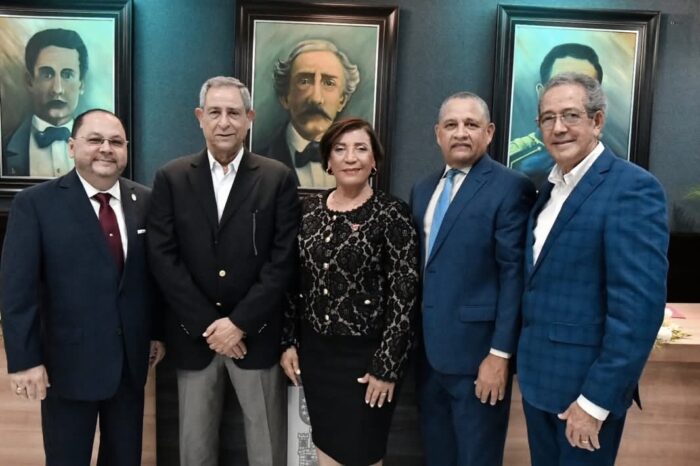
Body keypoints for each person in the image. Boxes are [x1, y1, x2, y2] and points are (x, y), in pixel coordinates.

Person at [518, 72, 669, 466]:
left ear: (597, 121)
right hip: (540, 384)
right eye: (547, 118)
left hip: (584, 397)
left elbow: (638, 313)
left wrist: (596, 401)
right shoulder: (548, 189)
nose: (558, 128)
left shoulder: (632, 189)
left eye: (571, 115)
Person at [147, 76, 300, 466]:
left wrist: (239, 323)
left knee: (267, 451)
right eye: (214, 112)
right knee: (194, 451)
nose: (224, 122)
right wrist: (210, 326)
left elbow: (282, 259)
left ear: (249, 118)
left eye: (234, 112)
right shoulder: (171, 177)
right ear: (200, 117)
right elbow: (163, 258)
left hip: (256, 337)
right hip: (194, 338)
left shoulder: (277, 177)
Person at [1, 108, 165, 465]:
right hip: (66, 367)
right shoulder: (35, 204)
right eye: (95, 140)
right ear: (72, 147)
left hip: (129, 367)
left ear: (126, 150)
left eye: (116, 142)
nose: (106, 148)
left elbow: (151, 280)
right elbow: (17, 289)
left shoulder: (146, 201)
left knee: (125, 459)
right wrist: (25, 360)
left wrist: (156, 333)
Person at [280, 117, 419, 466]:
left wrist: (387, 366)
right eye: (340, 149)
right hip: (317, 358)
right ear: (328, 160)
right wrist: (289, 342)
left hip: (368, 363)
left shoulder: (393, 214)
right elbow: (295, 283)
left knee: (362, 453)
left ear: (374, 160)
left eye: (360, 149)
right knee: (326, 448)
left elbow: (404, 297)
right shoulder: (309, 212)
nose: (350, 157)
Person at [410, 92, 535, 466]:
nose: (461, 133)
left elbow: (514, 275)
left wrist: (500, 355)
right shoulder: (422, 189)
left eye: (471, 124)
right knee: (437, 457)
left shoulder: (511, 186)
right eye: (451, 125)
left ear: (489, 132)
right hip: (427, 358)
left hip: (479, 360)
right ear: (438, 133)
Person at [265, 39, 361, 188]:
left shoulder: (360, 163)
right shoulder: (262, 160)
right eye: (304, 81)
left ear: (342, 100)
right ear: (285, 97)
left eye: (329, 83)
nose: (316, 98)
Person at [508, 43, 603, 188]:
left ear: (597, 120)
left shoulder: (627, 181)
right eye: (558, 84)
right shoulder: (514, 157)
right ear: (541, 94)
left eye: (585, 87)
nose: (559, 128)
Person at [2, 28, 88, 177]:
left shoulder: (100, 149)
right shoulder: (4, 148)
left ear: (81, 85)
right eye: (47, 74)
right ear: (29, 82)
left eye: (67, 75)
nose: (57, 89)